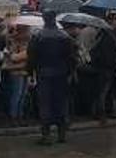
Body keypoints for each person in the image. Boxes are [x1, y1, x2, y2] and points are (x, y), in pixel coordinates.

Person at [26, 10, 76, 145]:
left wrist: (30, 73)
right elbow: (71, 57)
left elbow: (31, 57)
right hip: (62, 74)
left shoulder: (38, 36)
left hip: (44, 74)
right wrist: (70, 73)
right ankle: (61, 134)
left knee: (45, 104)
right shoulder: (64, 36)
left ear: (44, 19)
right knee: (60, 103)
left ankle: (46, 135)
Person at [89, 14, 116, 123]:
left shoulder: (111, 34)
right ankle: (100, 112)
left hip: (110, 67)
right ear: (110, 22)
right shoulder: (105, 34)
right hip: (105, 67)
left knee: (108, 91)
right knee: (103, 91)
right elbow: (97, 51)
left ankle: (107, 111)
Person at [2, 24, 31, 125]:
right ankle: (13, 116)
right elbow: (12, 57)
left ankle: (20, 115)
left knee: (23, 95)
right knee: (17, 94)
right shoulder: (13, 41)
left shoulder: (27, 43)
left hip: (25, 70)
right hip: (16, 70)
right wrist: (25, 54)